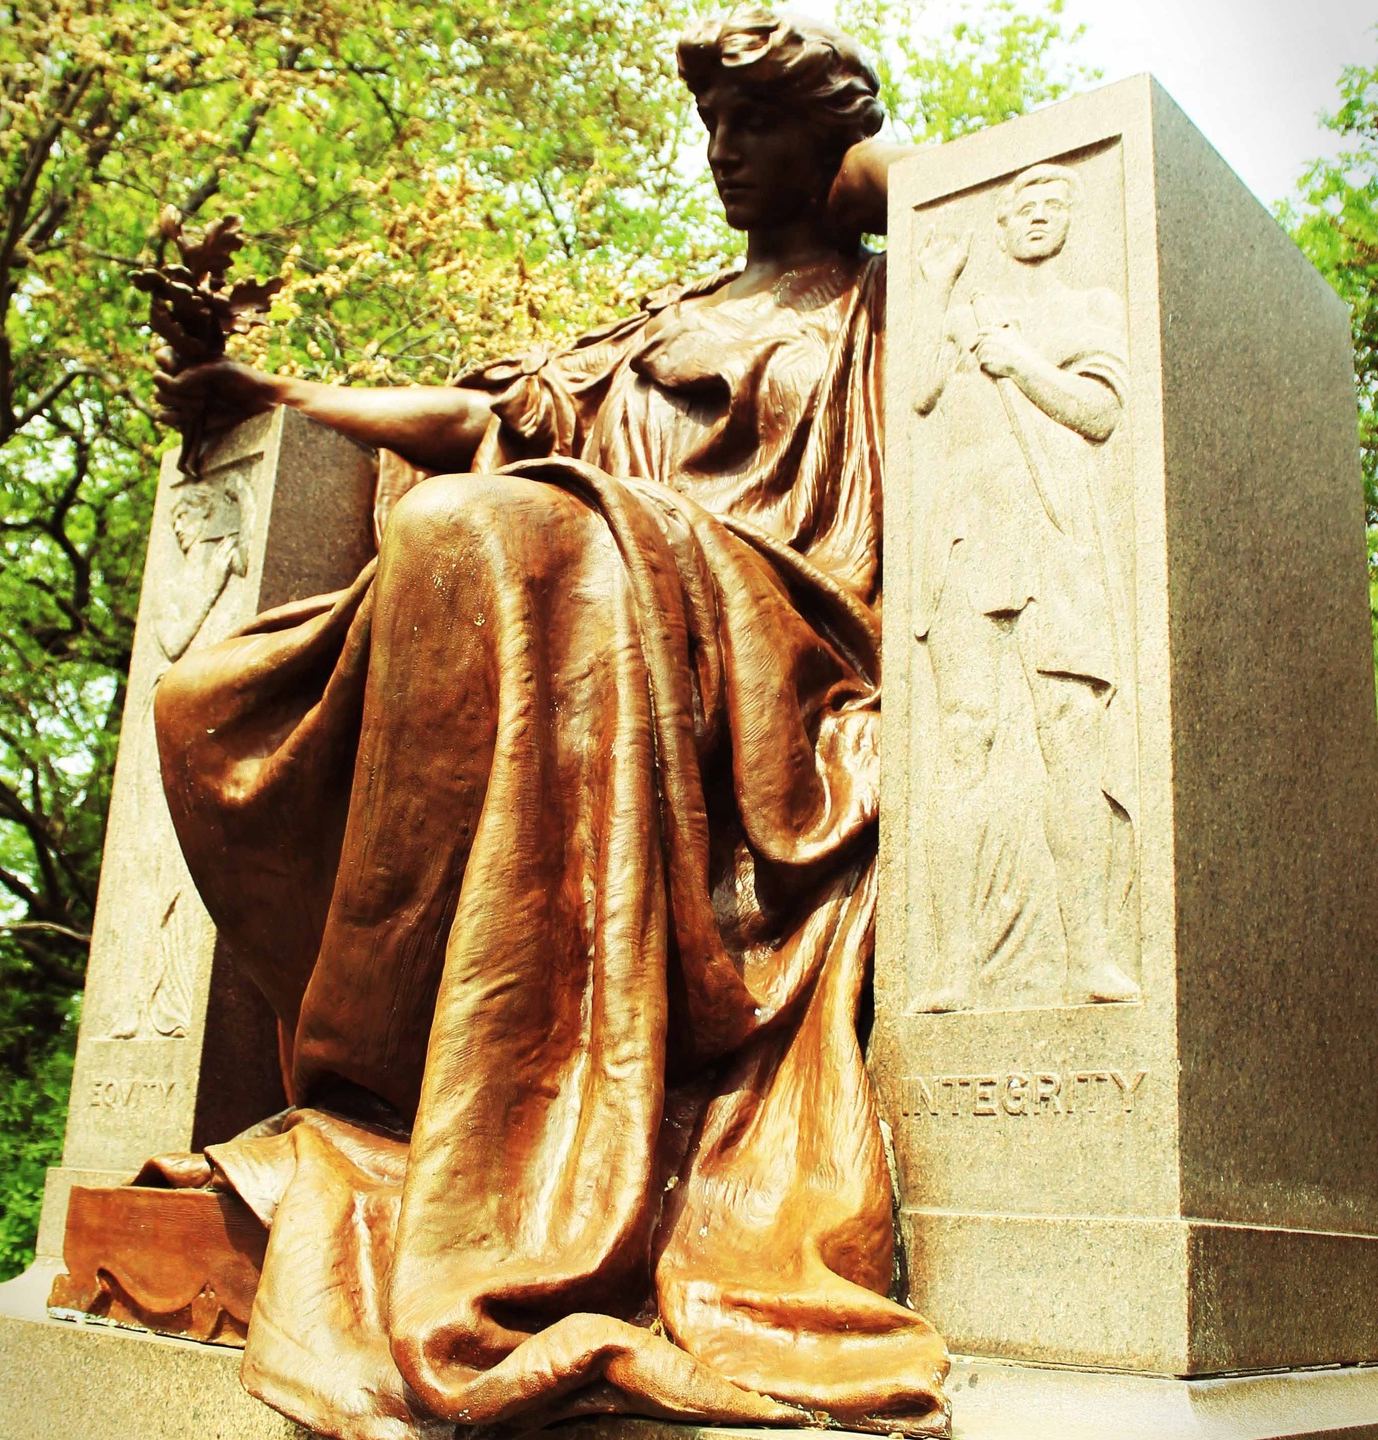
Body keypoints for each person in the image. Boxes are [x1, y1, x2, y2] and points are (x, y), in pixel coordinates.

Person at [148, 8, 950, 1438]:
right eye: (711, 127)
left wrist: (862, 173)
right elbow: (481, 419)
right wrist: (273, 391)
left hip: (775, 645)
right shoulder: (665, 321)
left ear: (831, 142)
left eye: (755, 125)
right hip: (599, 598)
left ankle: (462, 1114)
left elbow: (991, 208)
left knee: (501, 539)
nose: (721, 153)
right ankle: (410, 1093)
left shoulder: (890, 306)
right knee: (264, 668)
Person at [910, 162, 1139, 1010]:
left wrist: (1022, 363)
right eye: (1023, 206)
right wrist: (940, 300)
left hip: (1057, 537)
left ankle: (1090, 954)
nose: (1039, 216)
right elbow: (923, 398)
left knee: (1071, 733)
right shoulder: (963, 309)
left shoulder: (1092, 309)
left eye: (1053, 204)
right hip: (966, 540)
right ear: (1001, 227)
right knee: (961, 740)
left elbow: (1100, 414)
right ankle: (952, 964)